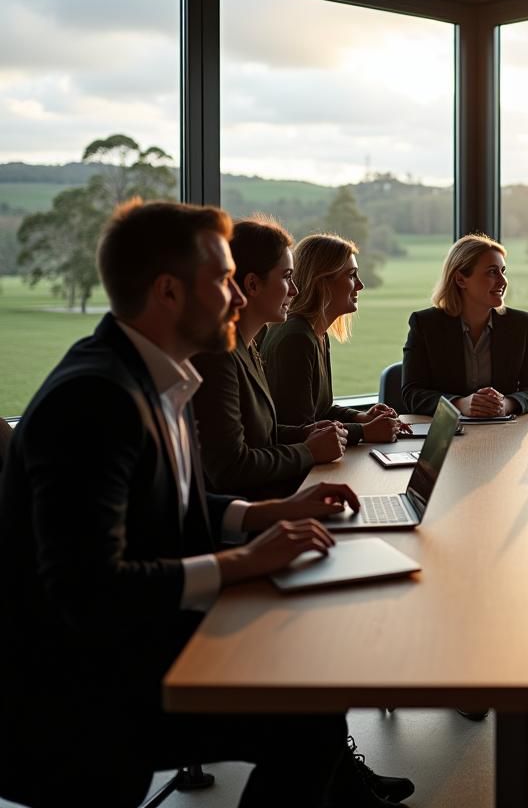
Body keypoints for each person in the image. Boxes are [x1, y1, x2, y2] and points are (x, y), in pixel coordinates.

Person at [0, 200, 412, 808]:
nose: (240, 299)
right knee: (308, 702)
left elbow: (175, 503)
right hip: (81, 689)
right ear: (168, 292)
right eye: (223, 281)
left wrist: (256, 516)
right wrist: (240, 562)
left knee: (315, 677)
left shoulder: (153, 376)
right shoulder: (96, 399)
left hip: (129, 647)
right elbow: (87, 589)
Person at [192, 217, 347, 500]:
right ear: (252, 284)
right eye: (287, 277)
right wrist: (309, 450)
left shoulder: (247, 347)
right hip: (251, 514)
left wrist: (305, 433)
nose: (295, 290)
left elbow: (261, 436)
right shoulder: (217, 358)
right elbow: (230, 468)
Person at [260, 232, 404, 443]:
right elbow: (302, 430)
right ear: (322, 282)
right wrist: (364, 431)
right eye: (351, 275)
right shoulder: (296, 339)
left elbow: (321, 410)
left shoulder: (315, 333)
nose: (360, 285)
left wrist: (361, 417)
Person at [402, 233, 528, 417]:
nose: (503, 281)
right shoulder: (425, 325)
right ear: (461, 279)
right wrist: (459, 404)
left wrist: (506, 404)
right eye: (492, 272)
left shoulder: (520, 324)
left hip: (504, 432)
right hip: (448, 435)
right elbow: (412, 393)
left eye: (503, 271)